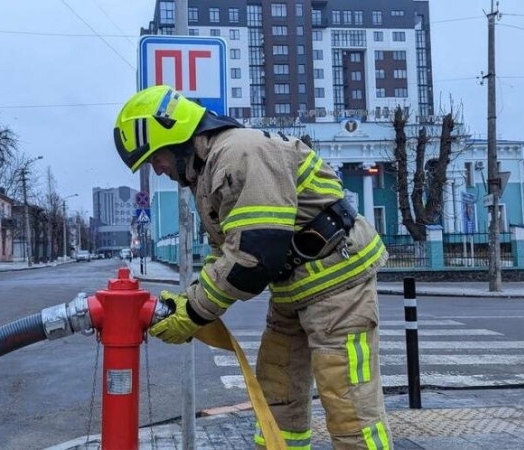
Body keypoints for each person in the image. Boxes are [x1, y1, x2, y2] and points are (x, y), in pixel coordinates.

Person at [113, 85, 392, 450]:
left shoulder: (239, 153)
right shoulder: (210, 173)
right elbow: (226, 252)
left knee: (347, 400)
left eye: (155, 158)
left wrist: (194, 312)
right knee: (277, 390)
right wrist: (188, 302)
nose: (158, 169)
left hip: (337, 282)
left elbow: (255, 257)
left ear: (174, 135)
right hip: (295, 289)